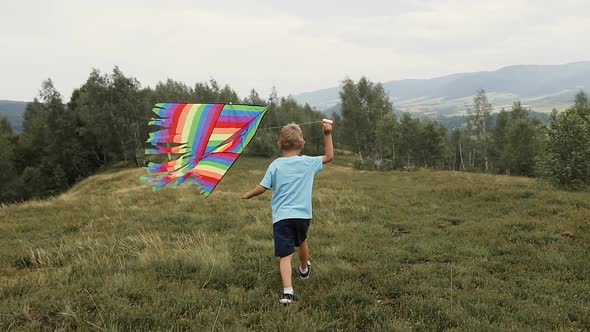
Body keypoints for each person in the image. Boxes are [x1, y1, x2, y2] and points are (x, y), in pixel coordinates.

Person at [242, 122, 334, 304]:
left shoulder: (275, 165)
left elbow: (262, 187)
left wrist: (248, 194)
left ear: (279, 144)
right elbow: (330, 156)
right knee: (302, 241)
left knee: (285, 255)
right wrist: (327, 133)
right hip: (303, 216)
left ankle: (287, 292)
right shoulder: (308, 162)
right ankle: (303, 269)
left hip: (282, 218)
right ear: (302, 144)